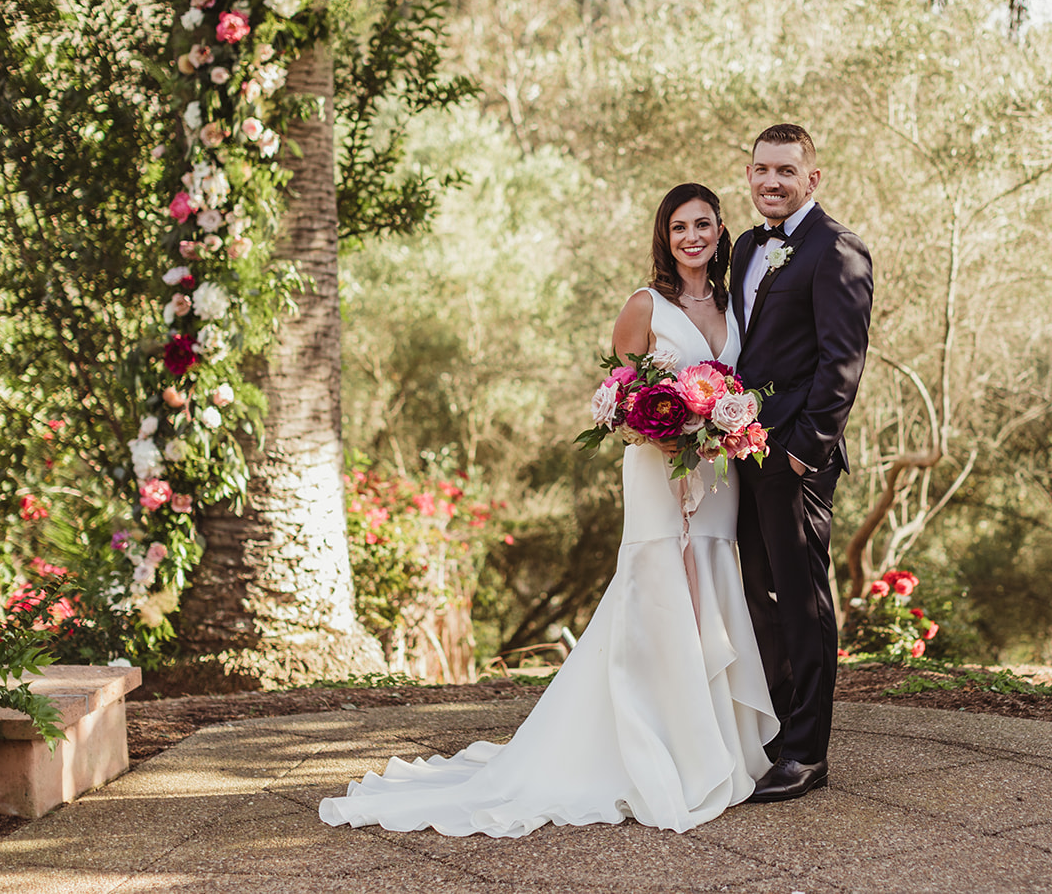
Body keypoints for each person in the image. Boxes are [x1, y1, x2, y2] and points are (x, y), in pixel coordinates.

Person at [319, 183, 778, 837]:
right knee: (655, 592)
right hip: (657, 470)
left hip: (715, 476)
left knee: (709, 586)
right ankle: (648, 750)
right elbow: (623, 398)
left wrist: (724, 426)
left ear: (720, 228)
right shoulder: (643, 304)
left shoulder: (733, 307)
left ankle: (710, 744)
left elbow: (733, 380)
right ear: (664, 236)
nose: (693, 237)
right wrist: (667, 428)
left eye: (703, 224)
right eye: (680, 227)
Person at [731, 123, 873, 803]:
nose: (770, 182)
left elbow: (840, 364)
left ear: (812, 178)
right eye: (761, 169)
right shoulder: (744, 250)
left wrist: (800, 454)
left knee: (805, 602)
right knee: (759, 595)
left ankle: (807, 754)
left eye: (785, 170)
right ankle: (780, 731)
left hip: (794, 460)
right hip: (740, 452)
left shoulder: (836, 250)